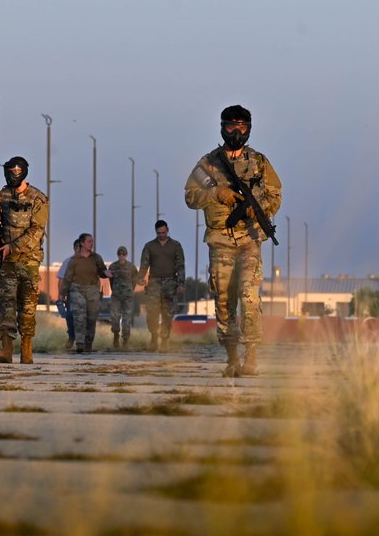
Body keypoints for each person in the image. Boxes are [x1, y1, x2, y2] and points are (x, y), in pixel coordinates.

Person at [185, 104, 282, 376]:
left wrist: (257, 208)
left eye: (242, 127)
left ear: (249, 130)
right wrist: (216, 193)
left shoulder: (259, 162)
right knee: (224, 300)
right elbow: (190, 197)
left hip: (250, 240)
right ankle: (231, 358)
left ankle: (251, 356)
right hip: (220, 242)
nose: (236, 132)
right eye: (231, 127)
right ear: (222, 127)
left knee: (249, 296)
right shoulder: (208, 163)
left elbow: (275, 196)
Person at [0, 156, 48, 364]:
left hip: (29, 261)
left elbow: (36, 231)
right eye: (10, 171)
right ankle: (6, 348)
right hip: (7, 262)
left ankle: (27, 348)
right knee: (7, 303)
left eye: (17, 171)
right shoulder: (2, 196)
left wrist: (12, 247)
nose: (14, 175)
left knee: (27, 306)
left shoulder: (38, 199)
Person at [138, 220, 186, 352]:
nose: (161, 235)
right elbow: (144, 264)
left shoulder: (176, 246)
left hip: (170, 283)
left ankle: (164, 340)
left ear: (168, 230)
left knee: (167, 314)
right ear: (155, 232)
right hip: (154, 283)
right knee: (152, 312)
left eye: (163, 232)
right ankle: (154, 337)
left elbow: (180, 266)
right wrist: (140, 278)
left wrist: (181, 283)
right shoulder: (149, 246)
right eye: (159, 233)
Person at [62, 233, 111, 353]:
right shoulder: (74, 260)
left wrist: (106, 274)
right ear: (82, 243)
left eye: (92, 241)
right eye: (89, 241)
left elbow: (101, 271)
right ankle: (80, 343)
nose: (91, 243)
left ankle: (88, 342)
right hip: (77, 289)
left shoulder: (96, 258)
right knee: (79, 317)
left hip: (93, 290)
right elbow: (68, 277)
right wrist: (63, 293)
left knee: (91, 317)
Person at [108, 246, 139, 349]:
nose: (121, 256)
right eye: (120, 254)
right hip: (116, 296)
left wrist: (130, 290)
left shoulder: (131, 267)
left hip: (128, 297)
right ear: (118, 255)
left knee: (126, 320)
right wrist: (115, 290)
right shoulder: (112, 267)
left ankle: (125, 340)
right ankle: (116, 335)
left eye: (123, 254)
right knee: (114, 318)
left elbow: (135, 280)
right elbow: (111, 281)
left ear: (126, 255)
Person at [56, 239, 81, 351]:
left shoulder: (89, 262)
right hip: (71, 294)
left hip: (85, 294)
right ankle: (71, 337)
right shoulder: (67, 262)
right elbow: (61, 279)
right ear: (76, 248)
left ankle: (82, 342)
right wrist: (61, 294)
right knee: (70, 317)